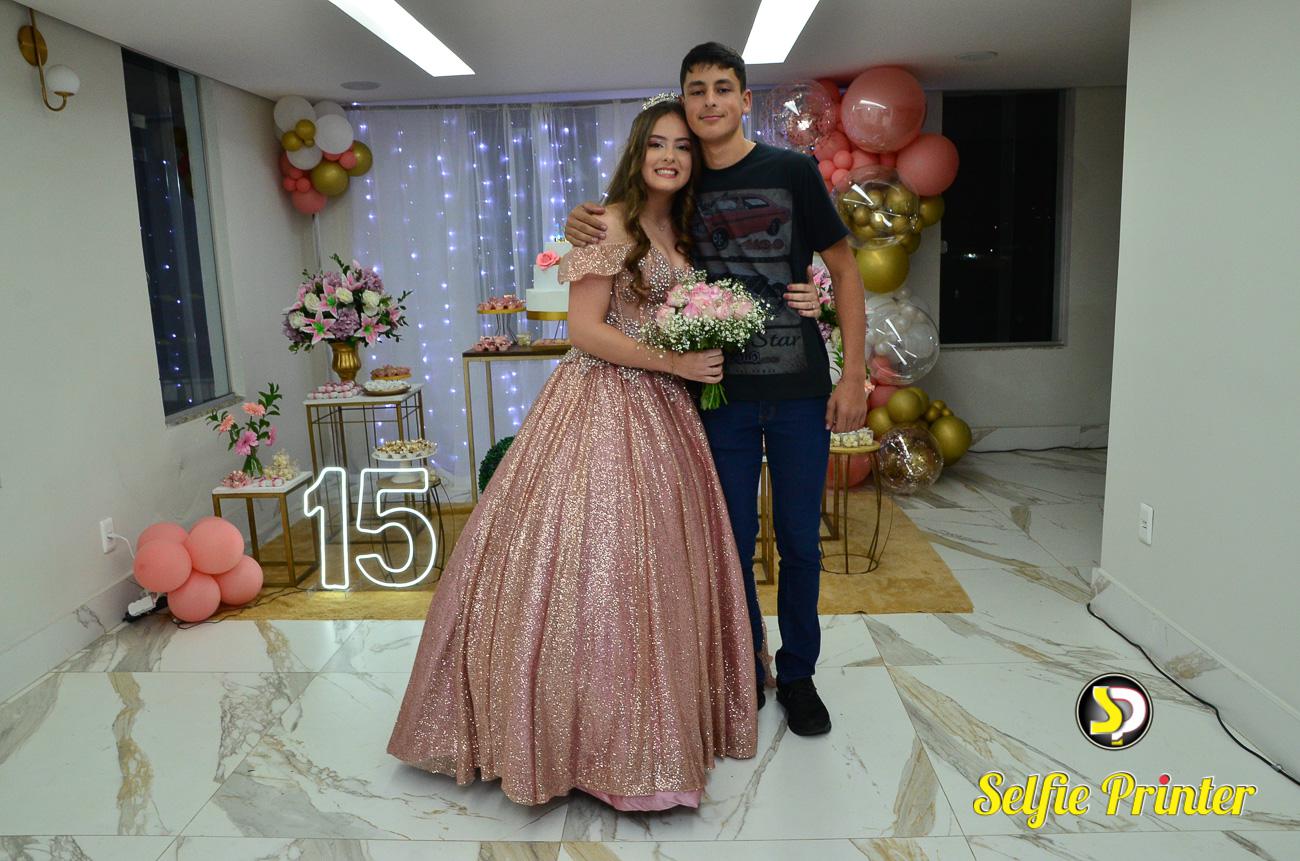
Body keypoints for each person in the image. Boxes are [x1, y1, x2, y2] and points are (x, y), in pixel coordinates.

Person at [388, 97, 757, 812]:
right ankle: (578, 739)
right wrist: (675, 363)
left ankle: (652, 729)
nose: (670, 156)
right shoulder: (609, 222)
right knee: (595, 558)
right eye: (658, 144)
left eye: (682, 146)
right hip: (603, 401)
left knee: (658, 566)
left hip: (668, 413)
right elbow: (584, 330)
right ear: (637, 152)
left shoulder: (682, 226)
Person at [566, 42, 869, 737]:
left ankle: (799, 674)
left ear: (744, 99)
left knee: (800, 540)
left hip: (798, 388)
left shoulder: (791, 170)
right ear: (683, 100)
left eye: (722, 88)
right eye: (696, 90)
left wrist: (851, 371)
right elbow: (628, 226)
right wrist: (579, 222)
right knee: (726, 541)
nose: (708, 102)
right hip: (715, 395)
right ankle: (744, 663)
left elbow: (845, 270)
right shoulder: (682, 182)